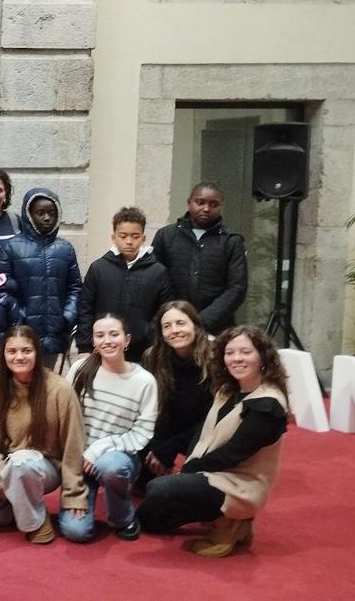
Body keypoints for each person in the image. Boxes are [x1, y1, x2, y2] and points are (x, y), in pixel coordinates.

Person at [137, 326, 289, 557]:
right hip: (209, 474)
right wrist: (188, 471)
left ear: (263, 357)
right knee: (147, 518)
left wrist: (187, 473)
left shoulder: (268, 405)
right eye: (230, 352)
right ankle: (220, 514)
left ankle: (231, 521)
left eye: (245, 352)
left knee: (159, 488)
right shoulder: (227, 390)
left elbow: (232, 454)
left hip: (240, 484)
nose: (237, 358)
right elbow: (202, 433)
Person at [0, 326, 88, 545]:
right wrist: (3, 478)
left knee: (21, 463)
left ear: (37, 353)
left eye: (26, 351)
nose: (19, 357)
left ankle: (35, 524)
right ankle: (23, 507)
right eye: (12, 351)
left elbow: (73, 443)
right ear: (3, 355)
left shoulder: (59, 389)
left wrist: (73, 493)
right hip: (7, 461)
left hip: (44, 466)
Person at [60, 314, 158, 542]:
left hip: (117, 458)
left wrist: (97, 450)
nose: (107, 341)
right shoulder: (80, 369)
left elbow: (143, 432)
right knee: (77, 532)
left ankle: (122, 518)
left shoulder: (144, 380)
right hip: (79, 460)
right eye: (100, 335)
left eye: (114, 334)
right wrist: (74, 456)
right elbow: (64, 415)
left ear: (127, 340)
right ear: (93, 342)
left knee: (111, 466)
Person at [0, 187, 82, 370]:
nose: (46, 218)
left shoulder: (65, 249)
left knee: (49, 383)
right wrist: (20, 317)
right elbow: (3, 290)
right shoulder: (11, 248)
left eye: (51, 213)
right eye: (40, 213)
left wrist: (67, 316)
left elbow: (75, 287)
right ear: (29, 215)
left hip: (56, 335)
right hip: (22, 336)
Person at [75, 207, 173, 362]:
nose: (129, 241)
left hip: (142, 352)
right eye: (123, 236)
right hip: (102, 349)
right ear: (113, 237)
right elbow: (85, 308)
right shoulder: (98, 268)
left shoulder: (158, 272)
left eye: (135, 236)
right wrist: (85, 346)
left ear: (143, 238)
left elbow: (164, 310)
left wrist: (147, 333)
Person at [152, 182, 248, 335]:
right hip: (173, 325)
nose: (206, 208)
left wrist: (201, 321)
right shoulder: (166, 236)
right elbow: (155, 280)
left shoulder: (232, 241)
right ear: (189, 202)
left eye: (214, 204)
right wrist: (175, 316)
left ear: (221, 206)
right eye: (200, 202)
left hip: (217, 327)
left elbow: (237, 289)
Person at [138, 301, 214, 490]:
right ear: (161, 333)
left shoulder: (215, 359)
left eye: (181, 323)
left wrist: (168, 449)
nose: (175, 330)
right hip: (165, 428)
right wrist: (157, 448)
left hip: (204, 432)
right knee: (145, 486)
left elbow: (211, 419)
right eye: (167, 326)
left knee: (193, 489)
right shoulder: (152, 357)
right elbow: (150, 409)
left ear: (195, 326)